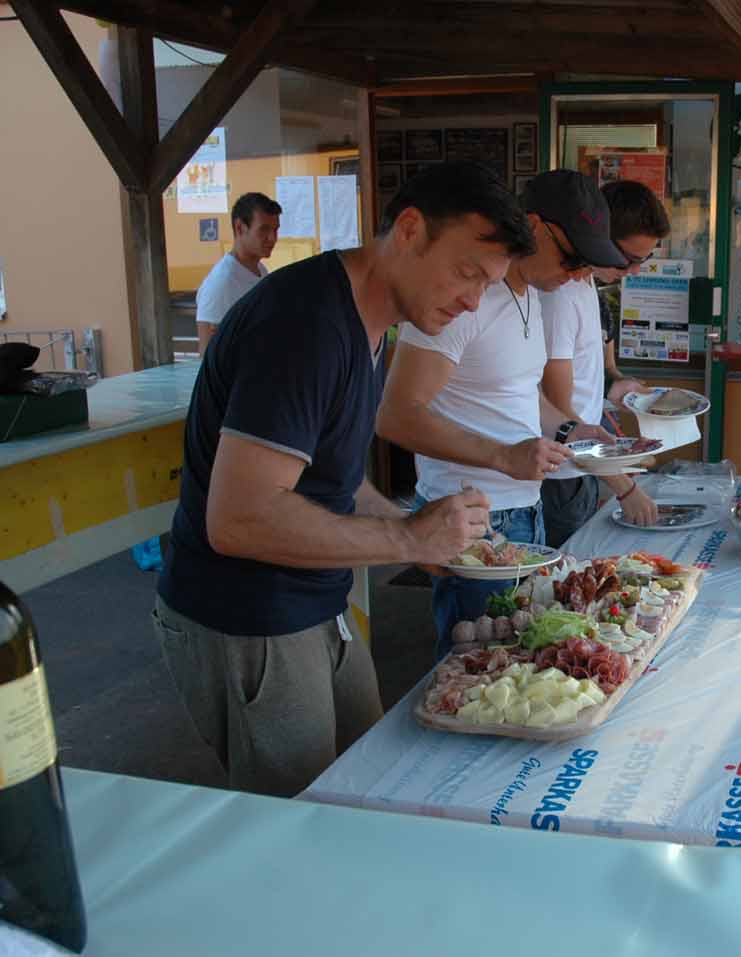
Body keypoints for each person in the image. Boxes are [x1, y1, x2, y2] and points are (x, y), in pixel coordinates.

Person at [153, 162, 532, 797]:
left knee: (369, 788)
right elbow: (238, 519)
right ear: (409, 230)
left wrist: (416, 532)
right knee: (305, 819)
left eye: (488, 286)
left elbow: (334, 480)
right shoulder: (305, 324)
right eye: (468, 272)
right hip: (249, 616)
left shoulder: (372, 322)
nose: (473, 301)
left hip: (319, 603)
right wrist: (406, 540)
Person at [376, 170, 626, 651]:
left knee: (516, 662)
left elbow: (522, 393)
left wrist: (571, 429)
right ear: (533, 227)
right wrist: (503, 456)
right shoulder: (461, 299)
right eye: (572, 257)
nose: (577, 273)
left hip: (525, 512)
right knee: (474, 668)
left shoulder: (529, 294)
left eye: (586, 263)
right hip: (472, 520)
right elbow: (397, 413)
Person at [539, 179, 672, 546]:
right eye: (629, 259)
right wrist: (624, 486)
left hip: (581, 468)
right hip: (559, 474)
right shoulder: (559, 296)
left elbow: (581, 382)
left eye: (644, 260)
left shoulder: (586, 287)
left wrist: (616, 389)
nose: (634, 271)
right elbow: (558, 413)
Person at [195, 192, 281, 353]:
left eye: (275, 230)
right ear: (240, 227)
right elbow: (207, 354)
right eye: (264, 230)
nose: (272, 238)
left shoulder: (260, 270)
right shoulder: (221, 283)